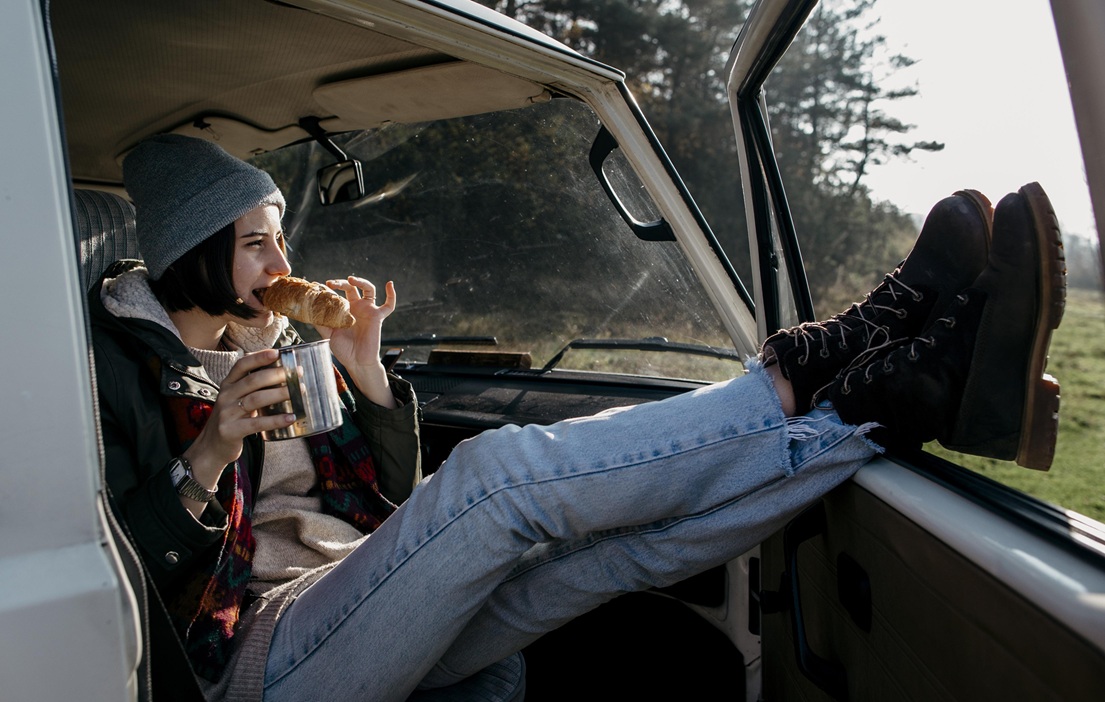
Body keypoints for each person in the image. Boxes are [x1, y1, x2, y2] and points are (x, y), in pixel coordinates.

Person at [90, 134, 1065, 702]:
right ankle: (803, 372)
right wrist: (210, 450)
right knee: (495, 480)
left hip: (347, 591)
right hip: (239, 665)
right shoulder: (113, 366)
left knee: (609, 557)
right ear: (190, 253)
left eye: (278, 236)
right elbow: (114, 572)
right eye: (253, 243)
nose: (277, 261)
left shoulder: (282, 343)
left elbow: (384, 493)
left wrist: (365, 370)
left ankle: (877, 407)